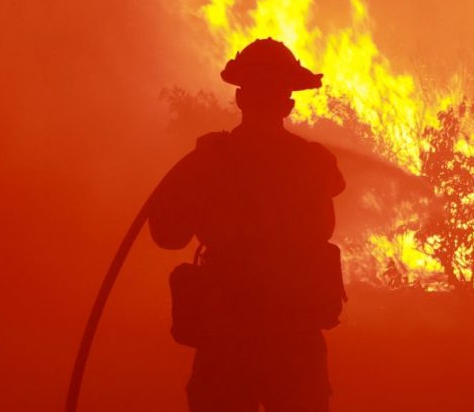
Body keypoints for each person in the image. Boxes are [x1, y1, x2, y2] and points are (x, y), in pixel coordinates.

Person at [148, 38, 346, 412]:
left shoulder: (208, 161)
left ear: (239, 99)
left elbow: (168, 236)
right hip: (294, 341)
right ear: (288, 104)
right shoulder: (315, 164)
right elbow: (331, 201)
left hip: (226, 337)